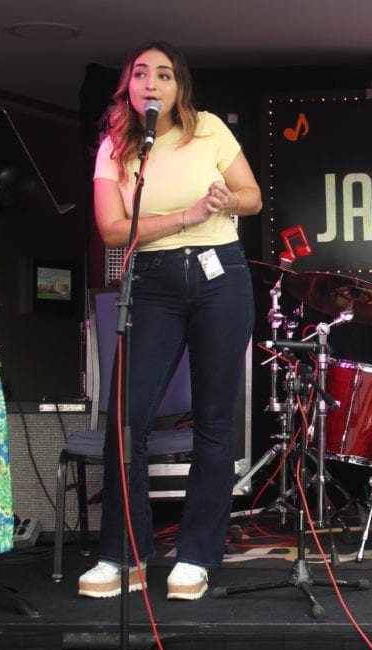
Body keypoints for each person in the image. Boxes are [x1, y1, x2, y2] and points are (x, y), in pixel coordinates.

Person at [78, 41, 261, 601]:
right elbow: (112, 229)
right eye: (141, 74)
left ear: (179, 86)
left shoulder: (208, 129)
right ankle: (124, 554)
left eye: (163, 74)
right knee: (127, 420)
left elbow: (252, 197)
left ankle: (196, 555)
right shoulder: (115, 146)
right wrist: (185, 215)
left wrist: (225, 201)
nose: (151, 83)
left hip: (219, 274)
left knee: (214, 420)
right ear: (128, 86)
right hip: (151, 281)